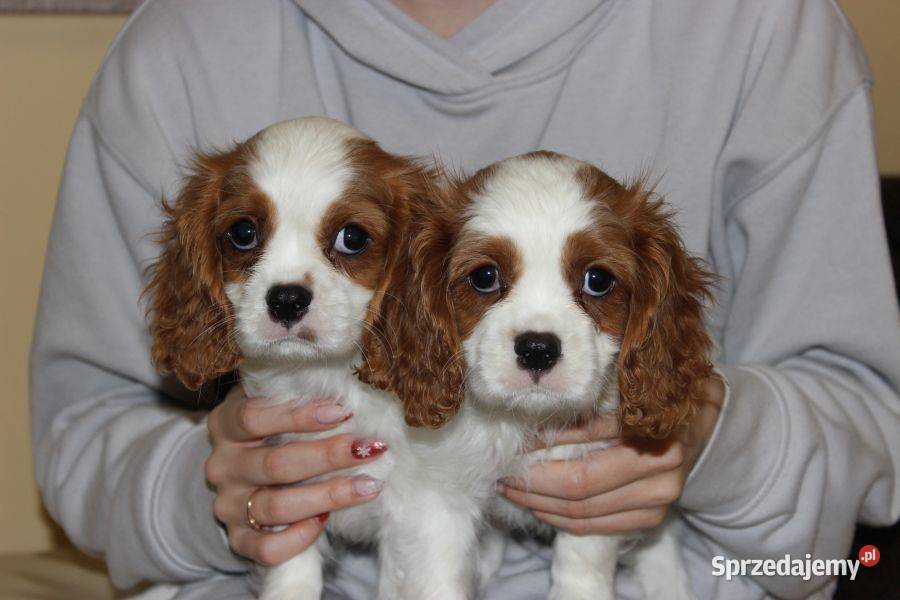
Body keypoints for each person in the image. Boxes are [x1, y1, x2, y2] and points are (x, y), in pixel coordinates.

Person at [30, 0, 900, 598]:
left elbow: (873, 434)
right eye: (245, 236)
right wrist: (208, 494)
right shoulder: (176, 44)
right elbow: (85, 435)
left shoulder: (770, 27)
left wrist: (704, 434)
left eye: (352, 240)